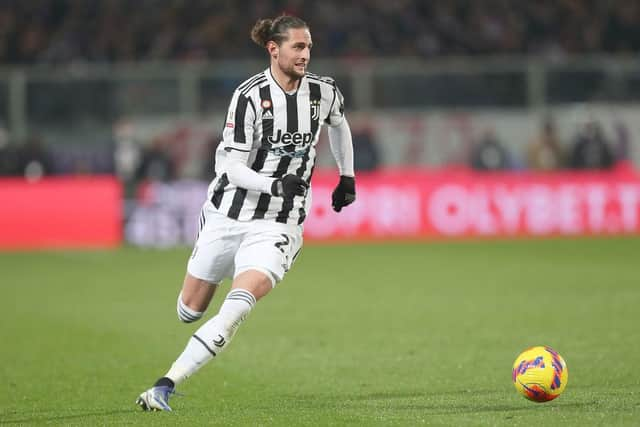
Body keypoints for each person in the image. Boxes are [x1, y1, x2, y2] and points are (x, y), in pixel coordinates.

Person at [136, 14, 356, 412]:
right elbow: (231, 167)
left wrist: (347, 176)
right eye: (298, 46)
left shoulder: (324, 91)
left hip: (279, 222)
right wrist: (273, 183)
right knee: (189, 311)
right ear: (274, 49)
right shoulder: (249, 96)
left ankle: (165, 384)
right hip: (228, 213)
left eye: (309, 46)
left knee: (238, 305)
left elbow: (339, 124)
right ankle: (221, 270)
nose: (306, 54)